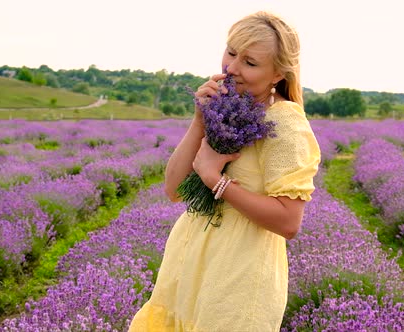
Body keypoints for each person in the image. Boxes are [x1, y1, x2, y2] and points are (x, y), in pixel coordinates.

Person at [129, 11, 320, 331]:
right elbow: (173, 190)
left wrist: (215, 180)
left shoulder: (284, 122)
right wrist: (200, 119)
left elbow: (289, 222)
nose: (231, 68)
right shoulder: (225, 108)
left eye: (250, 62)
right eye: (231, 52)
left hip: (237, 278)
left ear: (277, 74)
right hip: (188, 267)